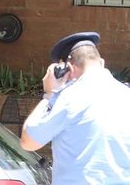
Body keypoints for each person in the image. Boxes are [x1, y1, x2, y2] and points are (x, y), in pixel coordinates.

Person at [20, 32, 130, 185]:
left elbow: (29, 141)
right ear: (102, 62)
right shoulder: (126, 95)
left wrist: (49, 94)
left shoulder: (68, 97)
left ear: (68, 69)